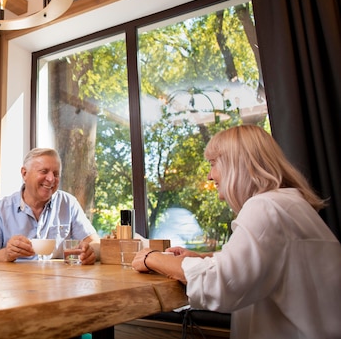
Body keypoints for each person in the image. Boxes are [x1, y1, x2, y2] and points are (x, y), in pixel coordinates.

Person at [131, 125, 341, 339]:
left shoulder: (265, 206)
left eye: (213, 164)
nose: (210, 176)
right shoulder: (290, 203)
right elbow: (263, 263)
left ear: (237, 164)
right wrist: (203, 257)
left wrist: (150, 257)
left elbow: (221, 283)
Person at [0, 148, 100, 264]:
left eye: (56, 174)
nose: (51, 179)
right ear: (24, 174)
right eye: (44, 171)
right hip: (15, 284)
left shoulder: (68, 203)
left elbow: (95, 243)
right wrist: (5, 254)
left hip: (58, 284)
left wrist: (90, 251)